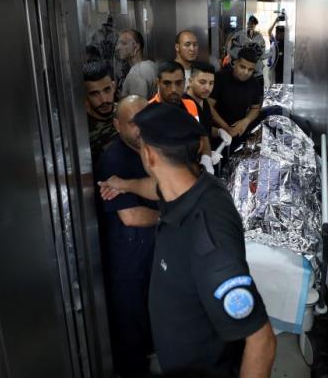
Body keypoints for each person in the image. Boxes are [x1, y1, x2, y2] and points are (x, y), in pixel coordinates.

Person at [99, 102, 276, 377]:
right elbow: (156, 188)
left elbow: (261, 339)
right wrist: (124, 184)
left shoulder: (209, 245)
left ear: (148, 155)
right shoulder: (192, 186)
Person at [96, 95, 159, 378]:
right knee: (129, 327)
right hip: (128, 262)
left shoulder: (153, 150)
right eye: (133, 122)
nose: (140, 127)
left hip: (153, 254)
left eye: (144, 119)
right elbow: (131, 216)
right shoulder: (112, 159)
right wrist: (172, 215)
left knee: (150, 319)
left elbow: (162, 186)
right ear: (117, 125)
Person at [208, 48, 264, 146]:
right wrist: (227, 128)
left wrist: (246, 121)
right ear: (235, 63)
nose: (246, 72)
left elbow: (255, 108)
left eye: (250, 69)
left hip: (239, 132)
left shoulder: (254, 83)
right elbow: (208, 106)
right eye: (242, 67)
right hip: (216, 132)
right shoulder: (220, 78)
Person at [184, 61, 231, 167]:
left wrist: (219, 132)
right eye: (202, 82)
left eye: (211, 83)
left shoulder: (204, 102)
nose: (207, 88)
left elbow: (205, 128)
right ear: (190, 81)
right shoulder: (184, 106)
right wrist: (205, 156)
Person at [83, 60, 118, 163]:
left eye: (107, 90)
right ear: (85, 96)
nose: (104, 100)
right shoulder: (82, 131)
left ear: (114, 87)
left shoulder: (126, 113)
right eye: (94, 94)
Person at [226, 15, 268, 87]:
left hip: (256, 72)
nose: (251, 26)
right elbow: (232, 50)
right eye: (249, 23)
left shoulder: (259, 37)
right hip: (242, 71)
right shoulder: (240, 35)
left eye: (253, 24)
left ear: (255, 25)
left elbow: (262, 53)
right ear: (247, 23)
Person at [115, 29, 157, 99]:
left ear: (136, 47)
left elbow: (137, 107)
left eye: (124, 43)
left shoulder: (136, 73)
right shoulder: (151, 65)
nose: (118, 47)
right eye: (118, 43)